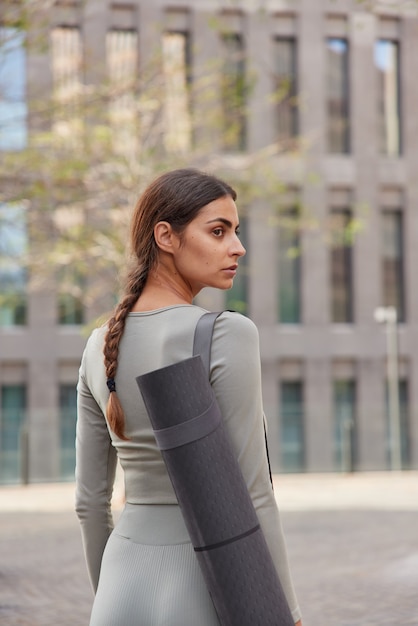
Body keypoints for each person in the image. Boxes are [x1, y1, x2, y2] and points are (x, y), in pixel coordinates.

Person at [76, 168, 302, 625]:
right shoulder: (227, 333)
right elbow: (252, 492)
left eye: (236, 232)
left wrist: (111, 594)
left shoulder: (98, 345)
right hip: (202, 585)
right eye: (218, 231)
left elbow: (89, 503)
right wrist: (286, 613)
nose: (237, 247)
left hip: (119, 589)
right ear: (166, 236)